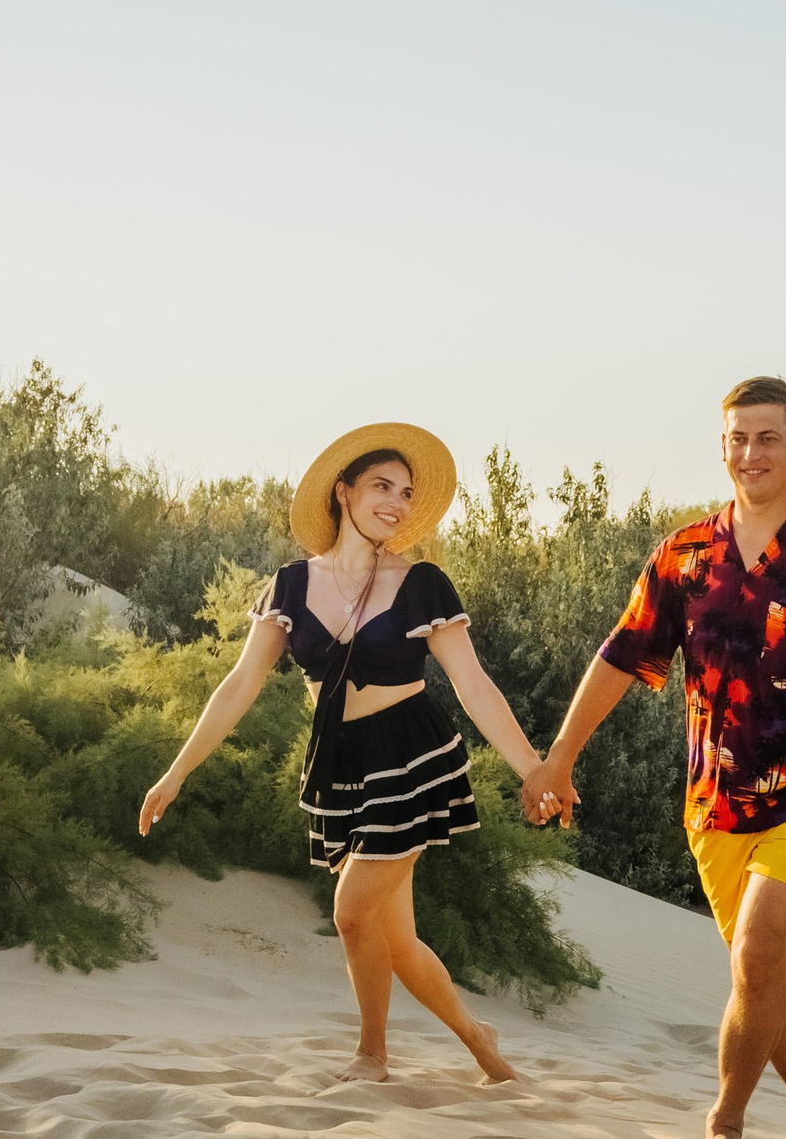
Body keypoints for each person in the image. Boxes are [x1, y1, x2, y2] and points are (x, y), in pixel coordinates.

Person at [521, 376, 786, 1139]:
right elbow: (620, 658)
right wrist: (559, 756)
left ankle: (726, 1120)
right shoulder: (684, 555)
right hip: (714, 802)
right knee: (763, 971)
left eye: (767, 436)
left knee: (759, 952)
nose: (750, 452)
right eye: (736, 437)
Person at [140, 423, 543, 1086]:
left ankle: (372, 1057)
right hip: (339, 763)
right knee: (394, 937)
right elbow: (240, 685)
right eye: (382, 486)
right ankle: (482, 1043)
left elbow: (475, 686)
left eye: (407, 493)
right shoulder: (292, 586)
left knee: (351, 911)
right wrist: (177, 771)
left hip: (412, 755)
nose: (396, 502)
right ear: (343, 491)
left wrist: (533, 767)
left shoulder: (422, 583)